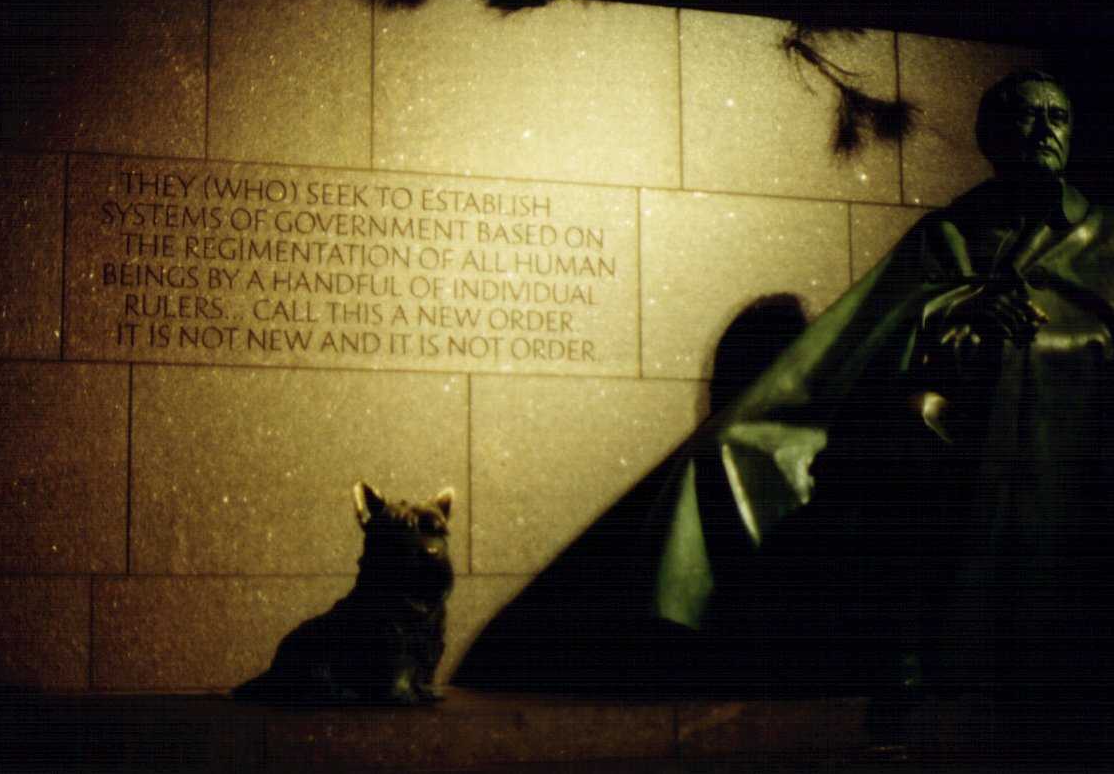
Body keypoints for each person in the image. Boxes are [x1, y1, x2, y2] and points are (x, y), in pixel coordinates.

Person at [453, 70, 1112, 705]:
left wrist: (1030, 338)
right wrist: (959, 314)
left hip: (1058, 411)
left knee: (920, 432)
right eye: (1026, 115)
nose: (1042, 130)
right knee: (755, 447)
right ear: (991, 135)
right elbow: (877, 330)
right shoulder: (947, 232)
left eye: (1056, 116)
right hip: (936, 405)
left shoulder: (1101, 234)